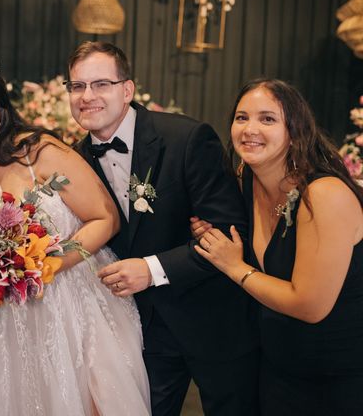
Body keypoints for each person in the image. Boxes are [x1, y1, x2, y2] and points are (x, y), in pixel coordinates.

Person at [0, 54, 151, 416]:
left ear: (1, 109)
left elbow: (106, 219)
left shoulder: (38, 152)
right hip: (13, 319)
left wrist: (44, 266)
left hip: (78, 306)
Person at [68, 41, 259, 416]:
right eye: (77, 86)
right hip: (140, 331)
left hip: (212, 319)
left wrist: (152, 269)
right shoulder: (73, 162)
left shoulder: (186, 139)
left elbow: (230, 232)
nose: (87, 96)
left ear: (127, 90)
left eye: (100, 84)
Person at [192, 78, 363, 415]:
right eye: (242, 118)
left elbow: (310, 305)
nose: (250, 129)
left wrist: (234, 266)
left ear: (295, 131)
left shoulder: (324, 194)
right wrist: (210, 232)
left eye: (267, 119)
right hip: (278, 368)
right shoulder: (245, 180)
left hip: (340, 375)